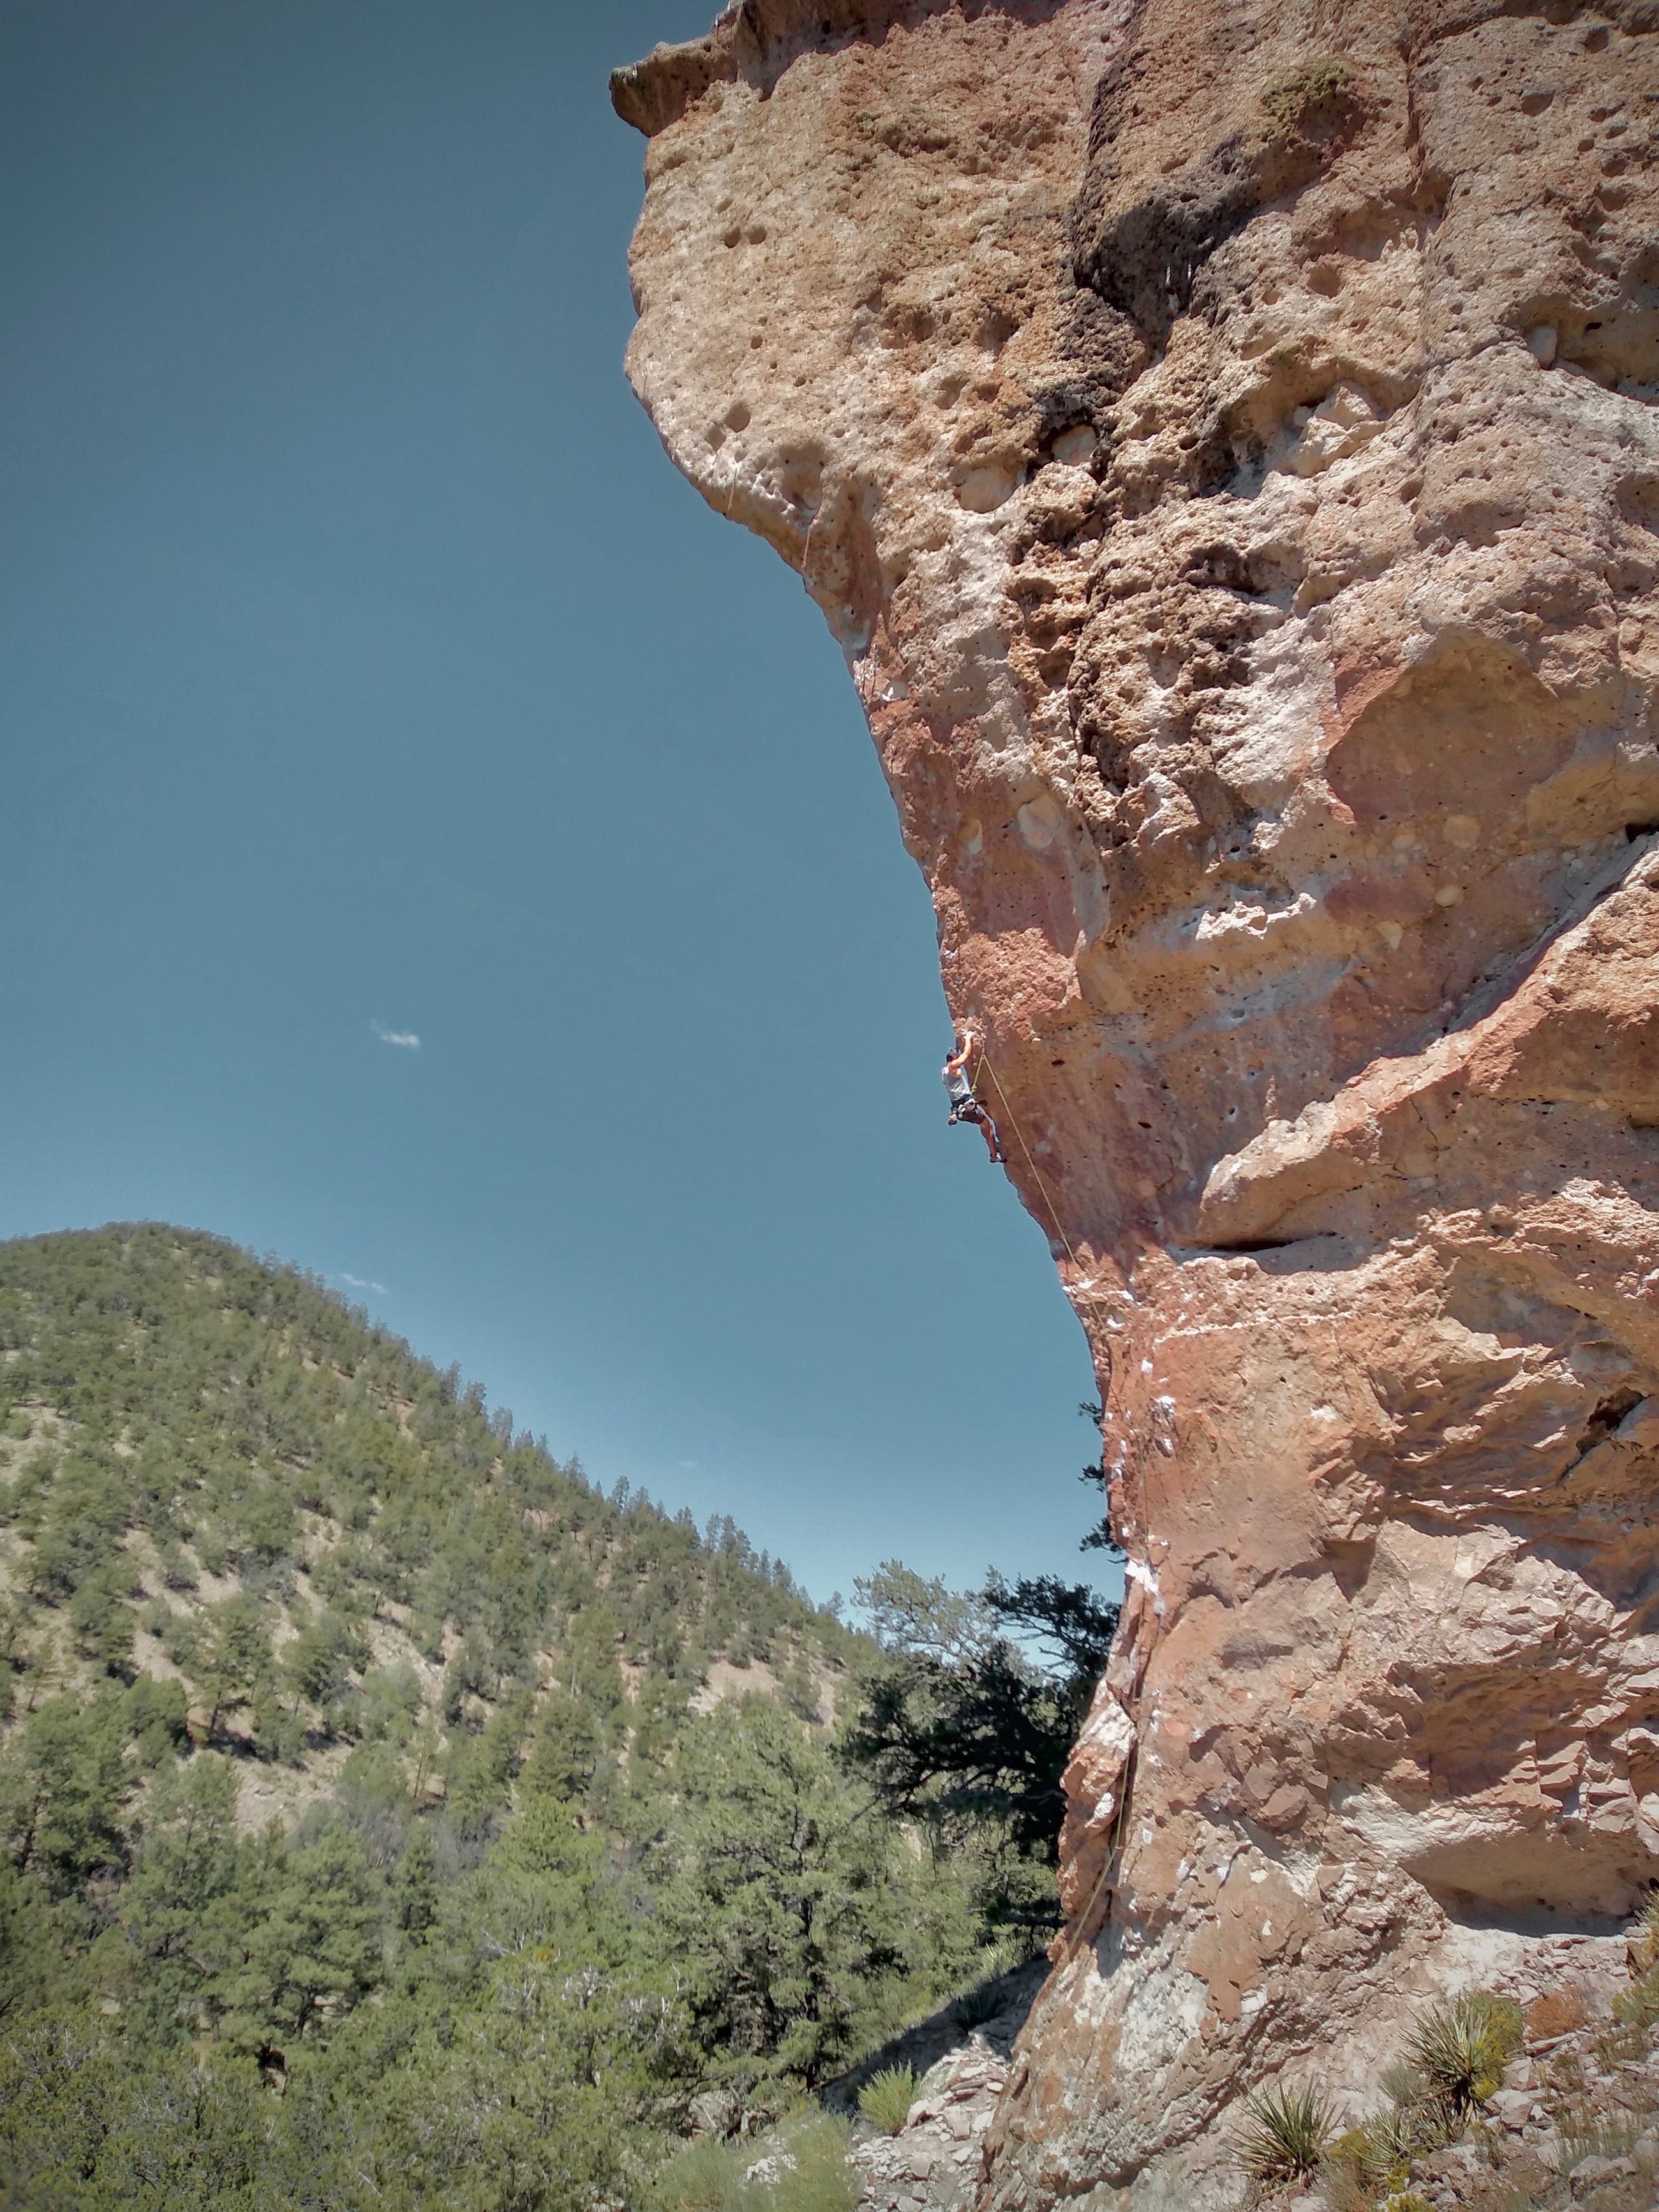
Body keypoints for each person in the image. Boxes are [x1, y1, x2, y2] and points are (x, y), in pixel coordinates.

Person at [942, 1027, 1006, 1162]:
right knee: (987, 1126)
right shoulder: (953, 1067)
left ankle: (994, 1149)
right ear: (953, 1059)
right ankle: (994, 1155)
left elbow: (957, 1056)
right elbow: (966, 1055)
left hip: (962, 1110)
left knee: (984, 1125)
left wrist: (957, 1047)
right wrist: (969, 1039)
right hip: (967, 1106)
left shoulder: (944, 1072)